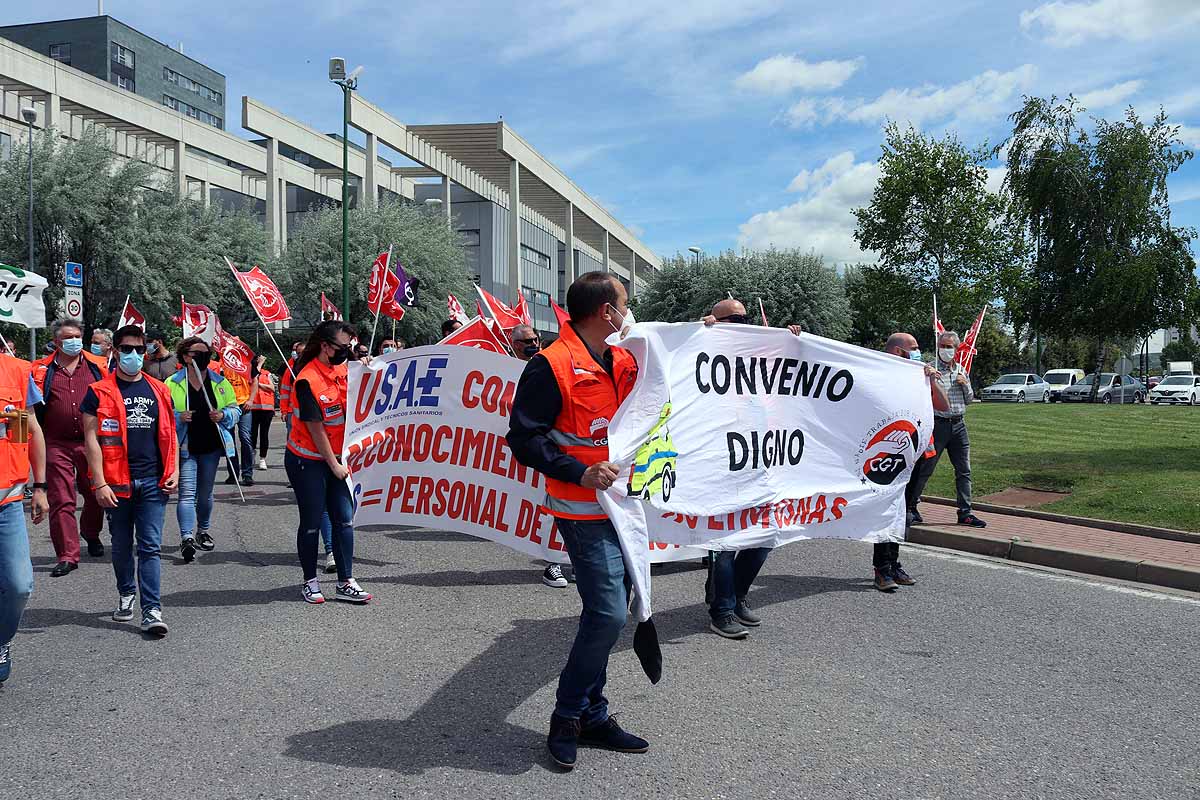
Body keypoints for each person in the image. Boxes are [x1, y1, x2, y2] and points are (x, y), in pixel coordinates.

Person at [508, 271, 649, 771]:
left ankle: (592, 713)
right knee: (608, 614)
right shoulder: (550, 366)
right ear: (605, 312)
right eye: (625, 304)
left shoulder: (627, 357)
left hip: (629, 507)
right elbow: (524, 439)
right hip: (582, 508)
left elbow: (690, 368)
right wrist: (579, 470)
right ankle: (568, 716)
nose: (629, 312)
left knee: (616, 610)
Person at [697, 298, 801, 639]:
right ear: (719, 319)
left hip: (760, 461)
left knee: (763, 538)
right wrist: (702, 331)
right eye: (736, 318)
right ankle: (722, 610)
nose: (744, 322)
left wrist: (791, 340)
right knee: (726, 542)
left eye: (747, 317)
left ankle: (736, 595)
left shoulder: (760, 353)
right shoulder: (706, 343)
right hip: (721, 465)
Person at [81, 325, 179, 636]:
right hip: (115, 485)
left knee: (149, 547)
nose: (134, 355)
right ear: (115, 351)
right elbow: (91, 440)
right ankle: (127, 593)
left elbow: (169, 434)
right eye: (127, 349)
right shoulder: (98, 392)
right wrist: (99, 483)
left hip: (153, 482)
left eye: (140, 349)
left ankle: (152, 609)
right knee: (122, 546)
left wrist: (173, 469)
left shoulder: (160, 390)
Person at [286, 320, 371, 604]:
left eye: (350, 346)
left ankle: (345, 581)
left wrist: (369, 367)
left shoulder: (346, 370)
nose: (348, 351)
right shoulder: (307, 379)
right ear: (325, 346)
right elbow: (315, 427)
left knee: (344, 520)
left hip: (338, 458)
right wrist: (333, 465)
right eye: (343, 347)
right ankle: (310, 581)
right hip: (307, 460)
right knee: (311, 523)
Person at [874, 332, 950, 592]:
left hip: (916, 452)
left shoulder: (919, 374)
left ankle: (894, 563)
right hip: (889, 454)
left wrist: (930, 381)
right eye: (914, 348)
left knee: (903, 511)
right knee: (887, 511)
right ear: (898, 351)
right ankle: (881, 568)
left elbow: (944, 405)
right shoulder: (879, 373)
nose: (919, 352)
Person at [32, 318, 108, 577]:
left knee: (96, 493)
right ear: (56, 341)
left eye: (77, 336)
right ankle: (67, 554)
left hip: (91, 443)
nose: (73, 341)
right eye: (67, 338)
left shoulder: (98, 366)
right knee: (62, 500)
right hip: (55, 443)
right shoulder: (41, 369)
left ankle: (91, 533)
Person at [166, 338, 239, 564]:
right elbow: (162, 415)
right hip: (186, 446)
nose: (202, 357)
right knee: (187, 493)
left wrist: (223, 415)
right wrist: (178, 417)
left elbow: (235, 409)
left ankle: (203, 530)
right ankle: (186, 537)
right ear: (185, 356)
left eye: (205, 353)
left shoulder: (220, 382)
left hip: (211, 446)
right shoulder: (171, 383)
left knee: (205, 494)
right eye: (196, 353)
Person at [904, 330, 987, 530]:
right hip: (937, 425)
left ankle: (965, 513)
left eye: (950, 347)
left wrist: (965, 384)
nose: (946, 350)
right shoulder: (929, 369)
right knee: (926, 468)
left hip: (959, 426)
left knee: (964, 470)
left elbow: (970, 399)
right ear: (938, 346)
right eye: (943, 346)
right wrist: (930, 378)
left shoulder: (961, 371)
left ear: (956, 349)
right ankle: (911, 508)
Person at [0, 350, 50, 682]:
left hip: (8, 503)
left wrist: (41, 486)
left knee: (19, 585)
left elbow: (26, 432)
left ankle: (1, 641)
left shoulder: (16, 371)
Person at [509, 324, 568, 589]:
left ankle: (553, 562)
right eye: (526, 341)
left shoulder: (547, 364)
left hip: (543, 445)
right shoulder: (496, 364)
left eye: (535, 338)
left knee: (552, 506)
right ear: (514, 344)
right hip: (515, 450)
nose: (533, 343)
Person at [280, 341, 335, 573]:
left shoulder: (337, 372)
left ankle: (345, 575)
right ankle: (328, 553)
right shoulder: (302, 376)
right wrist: (284, 411)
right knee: (318, 510)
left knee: (342, 515)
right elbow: (285, 391)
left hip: (338, 451)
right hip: (309, 453)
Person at [221, 351, 255, 487]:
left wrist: (251, 400)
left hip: (244, 405)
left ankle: (247, 474)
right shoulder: (222, 364)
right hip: (228, 407)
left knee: (245, 437)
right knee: (229, 441)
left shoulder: (247, 364)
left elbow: (255, 381)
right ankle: (233, 472)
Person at [248, 355, 276, 470]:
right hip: (253, 408)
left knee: (264, 435)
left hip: (266, 409)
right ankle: (252, 455)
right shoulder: (250, 372)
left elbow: (272, 388)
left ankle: (262, 459)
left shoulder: (266, 373)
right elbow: (251, 380)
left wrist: (259, 385)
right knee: (252, 434)